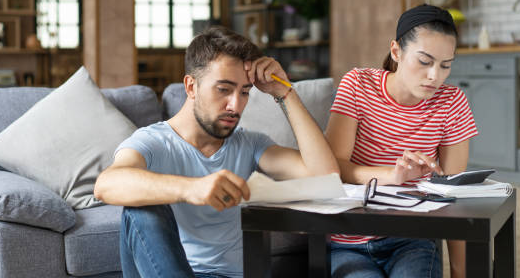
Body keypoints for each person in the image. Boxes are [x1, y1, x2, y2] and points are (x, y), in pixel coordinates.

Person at [94, 26, 339, 278]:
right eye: (223, 89)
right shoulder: (154, 142)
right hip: (172, 271)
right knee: (140, 210)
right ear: (191, 87)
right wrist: (193, 188)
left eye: (244, 92)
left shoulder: (250, 144)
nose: (236, 105)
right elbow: (106, 184)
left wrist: (285, 92)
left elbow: (325, 175)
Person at [325, 4, 478, 278]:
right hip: (348, 241)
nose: (435, 76)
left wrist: (459, 272)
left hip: (413, 239)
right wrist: (392, 175)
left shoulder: (452, 102)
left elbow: (454, 193)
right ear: (396, 51)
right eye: (424, 61)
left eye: (446, 65)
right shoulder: (358, 85)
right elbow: (332, 168)